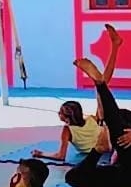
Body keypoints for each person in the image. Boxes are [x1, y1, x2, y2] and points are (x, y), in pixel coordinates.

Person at [64, 57, 131, 187]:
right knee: (71, 177)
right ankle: (100, 85)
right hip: (128, 177)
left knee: (118, 133)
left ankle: (100, 85)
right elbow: (105, 113)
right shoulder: (125, 139)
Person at [32, 24, 123, 162]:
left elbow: (60, 156)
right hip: (109, 143)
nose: (58, 114)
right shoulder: (91, 120)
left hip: (101, 149)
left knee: (102, 88)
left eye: (60, 112)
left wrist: (41, 154)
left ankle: (114, 48)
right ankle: (114, 48)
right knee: (101, 89)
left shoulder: (67, 130)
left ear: (66, 118)